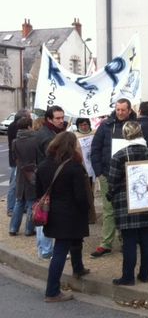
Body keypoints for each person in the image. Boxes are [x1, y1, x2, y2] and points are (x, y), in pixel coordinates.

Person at [36, 132, 90, 302]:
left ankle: (78, 268)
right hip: (70, 213)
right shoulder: (74, 167)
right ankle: (52, 291)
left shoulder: (44, 165)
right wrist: (86, 210)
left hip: (52, 211)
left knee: (72, 241)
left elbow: (39, 191)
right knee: (60, 250)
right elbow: (81, 196)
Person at [106, 121, 148, 285]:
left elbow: (112, 181)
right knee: (147, 239)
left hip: (126, 202)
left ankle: (128, 276)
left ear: (125, 135)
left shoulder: (119, 155)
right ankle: (145, 274)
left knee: (129, 241)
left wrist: (110, 195)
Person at [90, 98, 137, 258]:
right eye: (118, 109)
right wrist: (99, 172)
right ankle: (106, 243)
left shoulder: (135, 126)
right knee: (109, 210)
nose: (120, 112)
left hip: (128, 174)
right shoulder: (106, 126)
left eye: (123, 110)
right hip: (107, 173)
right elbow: (95, 149)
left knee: (126, 210)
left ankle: (125, 241)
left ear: (129, 110)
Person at [35, 106, 66, 260]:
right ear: (49, 119)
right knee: (45, 213)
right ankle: (46, 250)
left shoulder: (51, 132)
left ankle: (44, 249)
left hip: (45, 177)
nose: (61, 121)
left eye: (62, 117)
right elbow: (55, 159)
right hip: (48, 179)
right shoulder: (48, 136)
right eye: (58, 118)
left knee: (43, 212)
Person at [9, 117, 36, 236]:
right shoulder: (35, 139)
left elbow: (15, 158)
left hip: (20, 173)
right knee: (31, 202)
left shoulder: (15, 141)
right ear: (30, 126)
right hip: (32, 172)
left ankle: (13, 228)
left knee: (19, 201)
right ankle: (29, 229)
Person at [7, 109, 31, 217]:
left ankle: (18, 207)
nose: (30, 117)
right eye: (28, 116)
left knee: (18, 184)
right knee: (14, 185)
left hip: (17, 160)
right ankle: (11, 208)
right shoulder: (15, 127)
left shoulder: (14, 125)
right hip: (17, 161)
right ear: (23, 117)